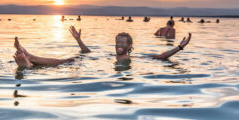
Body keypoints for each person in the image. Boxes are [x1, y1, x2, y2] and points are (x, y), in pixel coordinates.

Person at [13, 26, 191, 68]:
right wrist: (78, 40)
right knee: (69, 61)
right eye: (117, 42)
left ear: (129, 46)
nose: (118, 45)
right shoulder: (109, 58)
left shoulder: (134, 59)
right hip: (99, 66)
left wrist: (179, 48)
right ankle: (28, 60)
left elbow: (161, 57)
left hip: (103, 71)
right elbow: (87, 52)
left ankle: (29, 61)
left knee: (66, 62)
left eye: (122, 42)